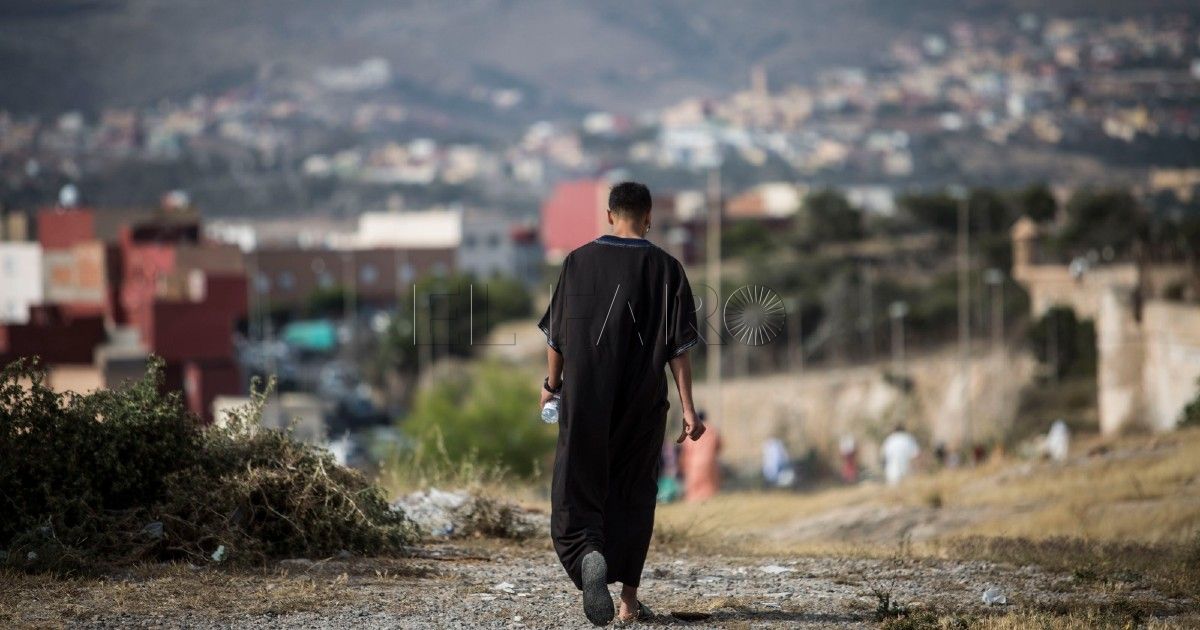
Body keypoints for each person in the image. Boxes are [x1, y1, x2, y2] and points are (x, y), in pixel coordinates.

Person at [538, 181, 704, 626]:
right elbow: (679, 349)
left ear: (609, 215)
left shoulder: (577, 262)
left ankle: (587, 553)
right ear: (648, 217)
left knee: (576, 487)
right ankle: (629, 600)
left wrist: (552, 385)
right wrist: (689, 409)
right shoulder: (667, 268)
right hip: (643, 403)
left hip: (586, 398)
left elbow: (559, 335)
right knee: (634, 492)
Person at [679, 413, 720, 501]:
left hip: (694, 464)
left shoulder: (691, 431)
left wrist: (683, 465)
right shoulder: (713, 430)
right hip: (709, 463)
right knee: (709, 490)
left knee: (694, 491)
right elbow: (719, 446)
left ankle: (695, 510)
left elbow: (686, 451)